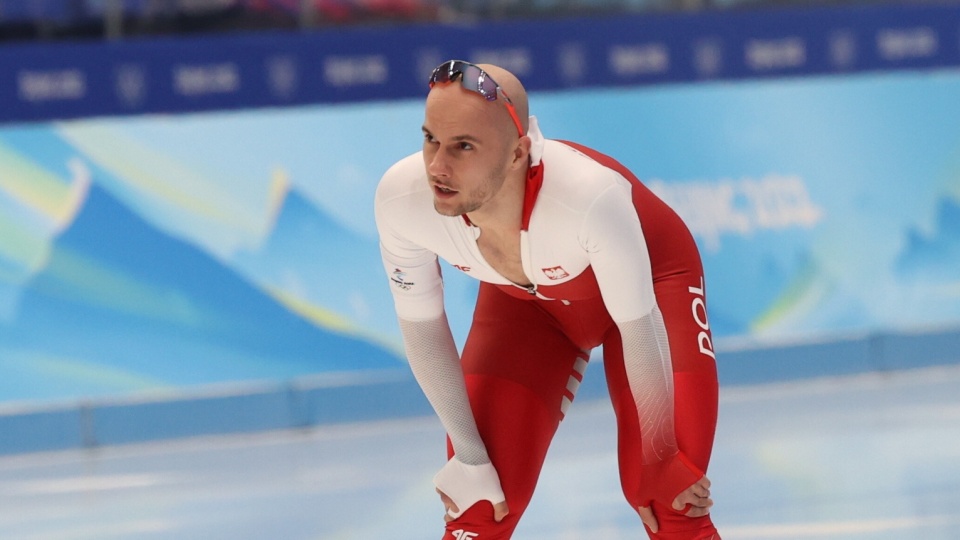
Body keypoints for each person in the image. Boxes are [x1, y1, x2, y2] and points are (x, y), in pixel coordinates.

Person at [374, 59, 720, 539]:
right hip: (526, 308)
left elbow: (640, 326)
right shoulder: (401, 200)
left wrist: (659, 457)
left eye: (463, 147)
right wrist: (470, 457)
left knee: (669, 498)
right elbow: (423, 330)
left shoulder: (586, 196)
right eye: (431, 138)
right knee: (479, 504)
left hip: (653, 293)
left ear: (518, 154)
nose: (438, 167)